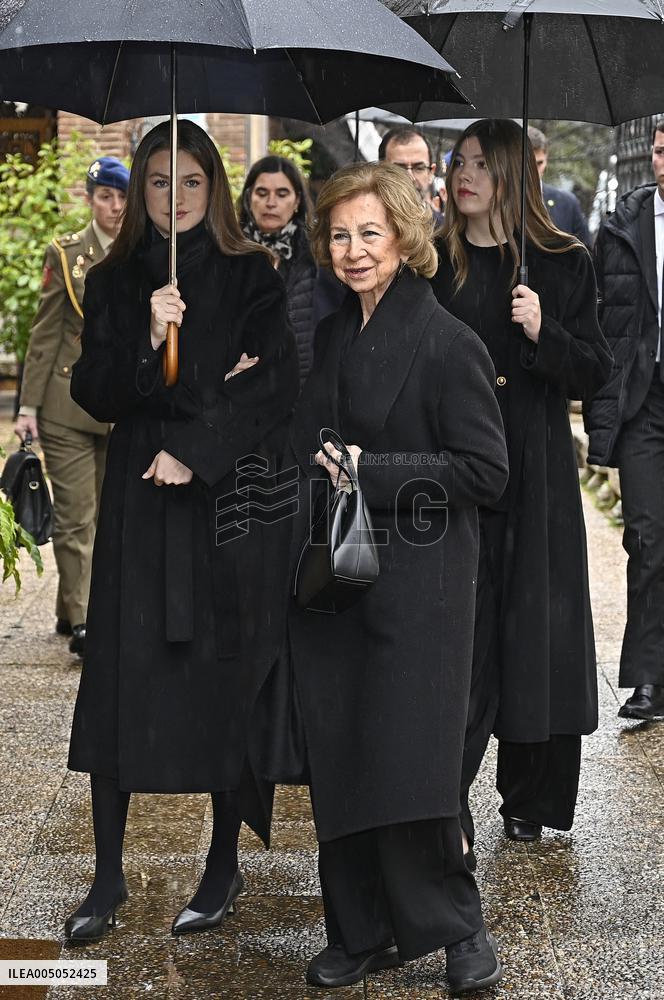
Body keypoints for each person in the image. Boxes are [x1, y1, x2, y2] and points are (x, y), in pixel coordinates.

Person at [267, 162, 508, 994]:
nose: (353, 249)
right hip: (338, 586)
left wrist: (372, 472)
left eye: (369, 232)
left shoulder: (449, 343)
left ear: (405, 237)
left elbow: (486, 471)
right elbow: (309, 437)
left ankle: (462, 934)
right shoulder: (334, 335)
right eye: (338, 234)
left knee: (415, 767)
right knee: (343, 758)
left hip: (422, 594)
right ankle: (361, 931)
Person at [63, 120, 298, 942]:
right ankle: (106, 874)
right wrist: (144, 338)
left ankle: (222, 864)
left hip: (217, 503)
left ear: (215, 189)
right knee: (122, 678)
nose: (175, 198)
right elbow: (93, 389)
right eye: (159, 182)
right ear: (140, 192)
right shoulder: (116, 277)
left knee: (217, 678)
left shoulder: (252, 276)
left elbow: (276, 385)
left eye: (191, 182)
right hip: (137, 498)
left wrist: (196, 450)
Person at [431, 119, 612, 849]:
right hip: (458, 470)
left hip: (534, 470)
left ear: (511, 173)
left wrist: (546, 334)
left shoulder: (562, 262)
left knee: (537, 633)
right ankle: (447, 793)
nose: (463, 175)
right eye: (458, 162)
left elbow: (596, 368)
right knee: (461, 639)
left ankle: (529, 796)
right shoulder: (436, 265)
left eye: (480, 163)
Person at [14, 157, 129, 657]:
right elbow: (43, 337)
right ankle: (86, 623)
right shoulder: (65, 254)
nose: (116, 207)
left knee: (109, 515)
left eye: (123, 197)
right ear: (90, 197)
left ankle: (69, 607)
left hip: (120, 404)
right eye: (106, 196)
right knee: (78, 517)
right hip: (65, 403)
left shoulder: (144, 252)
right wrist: (27, 407)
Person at [584, 119, 664, 722]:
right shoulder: (621, 227)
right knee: (646, 536)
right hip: (646, 401)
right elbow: (601, 322)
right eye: (661, 150)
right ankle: (648, 677)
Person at [238, 155, 343, 386]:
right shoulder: (230, 255)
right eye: (262, 193)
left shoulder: (319, 254)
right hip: (245, 388)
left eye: (282, 194)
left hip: (304, 389)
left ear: (297, 201)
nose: (271, 203)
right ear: (248, 198)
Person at [528, 126, 592, 249]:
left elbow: (586, 254)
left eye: (539, 163)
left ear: (547, 159)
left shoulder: (567, 203)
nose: (534, 171)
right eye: (528, 163)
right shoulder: (500, 201)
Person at [379, 125, 444, 224]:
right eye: (399, 168)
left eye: (419, 168)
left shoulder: (447, 232)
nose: (410, 177)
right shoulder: (360, 219)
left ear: (431, 173)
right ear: (381, 170)